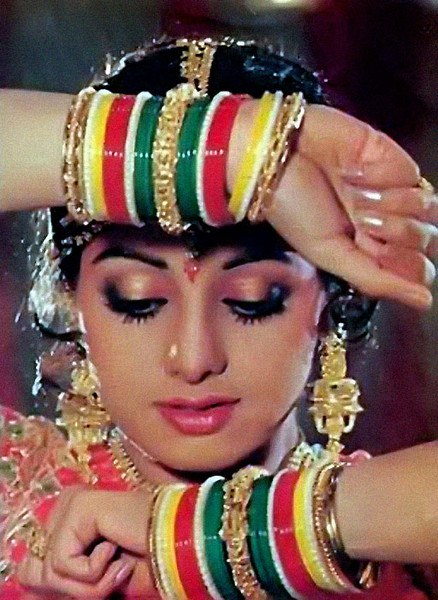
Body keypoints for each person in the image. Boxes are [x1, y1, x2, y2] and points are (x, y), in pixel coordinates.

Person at [0, 37, 437, 599]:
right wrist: (229, 150)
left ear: (333, 302)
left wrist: (193, 544)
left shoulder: (393, 543)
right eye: (136, 300)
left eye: (253, 301)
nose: (194, 358)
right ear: (72, 299)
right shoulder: (15, 494)